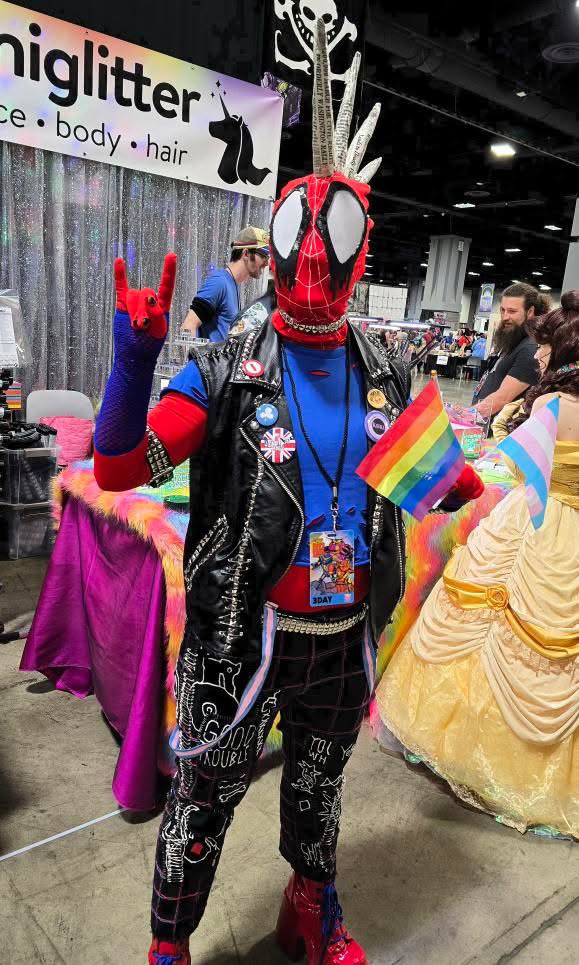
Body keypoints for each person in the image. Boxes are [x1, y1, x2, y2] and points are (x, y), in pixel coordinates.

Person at [93, 23, 481, 965]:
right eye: (295, 242)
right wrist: (136, 358)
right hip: (240, 635)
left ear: (362, 248)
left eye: (333, 242)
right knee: (203, 797)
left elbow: (440, 488)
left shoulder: (386, 364)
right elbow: (119, 470)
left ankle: (310, 910)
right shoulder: (228, 367)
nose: (310, 266)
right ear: (273, 246)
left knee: (318, 786)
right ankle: (168, 945)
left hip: (341, 634)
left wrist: (485, 484)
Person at [375, 291, 579, 839]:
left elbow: (512, 456)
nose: (538, 358)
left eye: (546, 350)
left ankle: (473, 747)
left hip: (537, 520)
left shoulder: (549, 407)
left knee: (493, 625)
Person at [472, 282, 548, 419]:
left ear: (530, 312)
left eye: (512, 311)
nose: (505, 317)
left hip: (500, 434)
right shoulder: (514, 339)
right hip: (487, 426)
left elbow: (502, 398)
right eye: (502, 310)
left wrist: (463, 416)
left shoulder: (530, 349)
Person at [180, 226, 269, 341]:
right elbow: (187, 326)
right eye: (263, 256)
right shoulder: (219, 282)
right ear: (246, 254)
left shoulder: (231, 284)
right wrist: (194, 359)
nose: (266, 263)